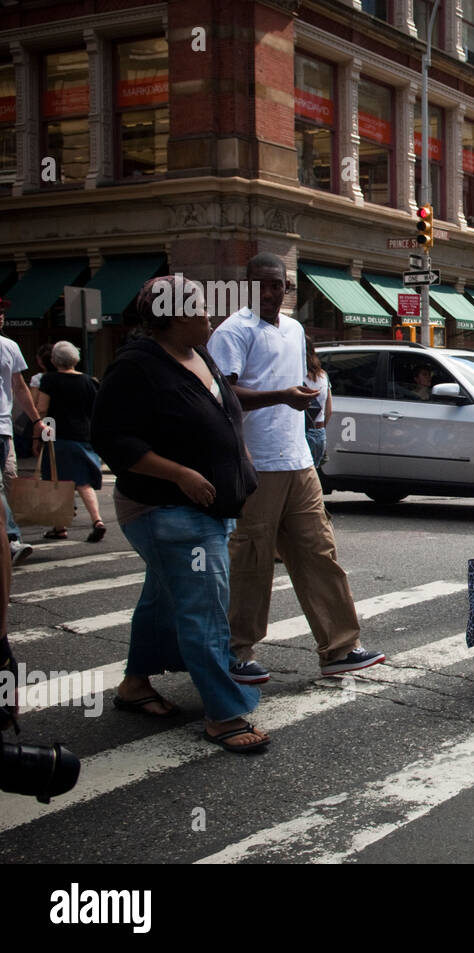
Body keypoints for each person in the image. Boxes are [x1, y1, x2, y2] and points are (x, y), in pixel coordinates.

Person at [91, 276, 267, 752]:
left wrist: (241, 458)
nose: (209, 314)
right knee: (204, 609)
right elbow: (112, 440)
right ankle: (225, 715)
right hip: (164, 507)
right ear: (169, 316)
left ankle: (135, 686)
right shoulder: (136, 367)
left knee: (164, 599)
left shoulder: (200, 355)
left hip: (210, 507)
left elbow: (226, 413)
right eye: (199, 308)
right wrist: (179, 474)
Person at [207, 252, 384, 683]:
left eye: (279, 285)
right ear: (246, 285)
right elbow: (221, 398)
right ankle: (235, 650)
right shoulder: (233, 331)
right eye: (262, 284)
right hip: (255, 462)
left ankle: (340, 647)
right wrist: (281, 396)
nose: (271, 292)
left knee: (318, 551)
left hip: (297, 460)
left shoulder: (295, 329)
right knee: (251, 559)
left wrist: (300, 400)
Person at [35, 342, 107, 542]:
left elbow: (42, 409)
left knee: (57, 482)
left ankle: (59, 526)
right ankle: (97, 520)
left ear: (54, 359)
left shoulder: (50, 380)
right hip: (83, 436)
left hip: (58, 437)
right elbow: (97, 411)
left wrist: (37, 435)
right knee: (83, 482)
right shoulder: (89, 381)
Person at [0, 300, 40, 566]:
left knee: (7, 482)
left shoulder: (9, 346)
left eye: (2, 312)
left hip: (3, 428)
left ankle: (10, 539)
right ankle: (12, 538)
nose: (1, 317)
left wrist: (36, 421)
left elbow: (20, 386)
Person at [304, 335, 331, 470]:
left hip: (302, 432)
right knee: (312, 473)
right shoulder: (323, 375)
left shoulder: (296, 374)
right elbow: (329, 411)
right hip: (319, 432)